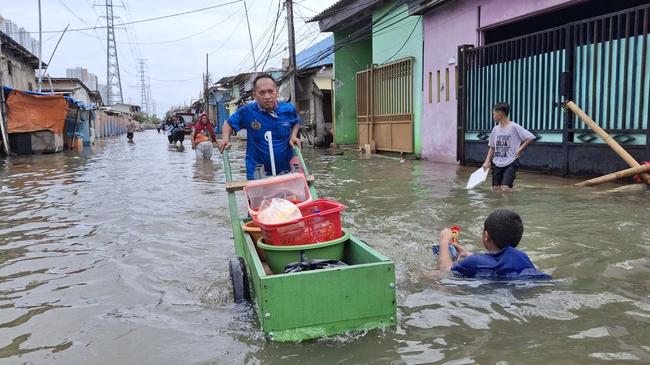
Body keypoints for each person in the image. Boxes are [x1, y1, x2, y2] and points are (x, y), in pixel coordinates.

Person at [218, 73, 301, 180]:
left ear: (277, 91)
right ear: (254, 95)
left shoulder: (288, 109)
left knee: (285, 197)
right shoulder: (247, 111)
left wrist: (293, 136)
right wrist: (225, 139)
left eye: (270, 91)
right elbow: (228, 123)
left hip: (285, 170)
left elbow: (296, 122)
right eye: (262, 93)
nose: (267, 96)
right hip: (257, 172)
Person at [436, 209, 549, 279]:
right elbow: (495, 262)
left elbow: (445, 270)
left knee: (429, 275)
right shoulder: (523, 257)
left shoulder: (474, 262)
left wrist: (444, 240)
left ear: (486, 235)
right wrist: (467, 253)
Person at [482, 102, 536, 191]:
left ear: (500, 114)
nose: (493, 116)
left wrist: (520, 149)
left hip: (511, 161)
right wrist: (487, 161)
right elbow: (492, 147)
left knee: (505, 188)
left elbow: (530, 137)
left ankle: (508, 205)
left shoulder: (514, 127)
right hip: (497, 162)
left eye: (493, 113)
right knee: (495, 188)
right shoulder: (495, 129)